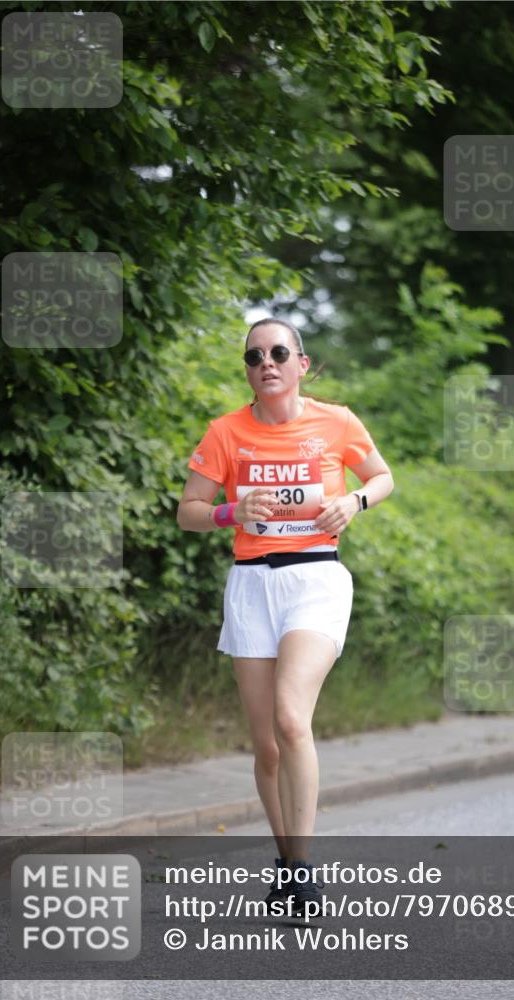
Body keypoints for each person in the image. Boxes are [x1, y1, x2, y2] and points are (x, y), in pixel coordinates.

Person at [177, 318, 394, 916]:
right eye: (254, 355)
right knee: (266, 744)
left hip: (317, 580)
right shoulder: (226, 432)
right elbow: (188, 511)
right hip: (252, 586)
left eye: (278, 352)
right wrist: (231, 511)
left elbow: (383, 476)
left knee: (291, 718)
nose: (266, 361)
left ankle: (303, 869)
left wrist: (353, 501)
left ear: (302, 363)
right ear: (247, 369)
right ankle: (288, 865)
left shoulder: (337, 421)